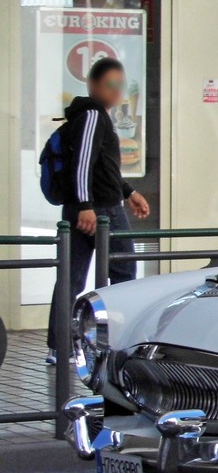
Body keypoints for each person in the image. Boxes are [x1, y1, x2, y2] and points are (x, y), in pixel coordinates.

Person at [46, 57, 150, 362]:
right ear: (93, 85)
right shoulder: (92, 115)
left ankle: (61, 345)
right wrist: (86, 207)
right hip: (100, 212)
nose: (117, 91)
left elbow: (103, 168)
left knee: (73, 277)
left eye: (120, 85)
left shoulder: (94, 116)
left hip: (90, 208)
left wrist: (129, 192)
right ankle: (115, 340)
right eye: (110, 84)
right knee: (122, 271)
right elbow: (83, 164)